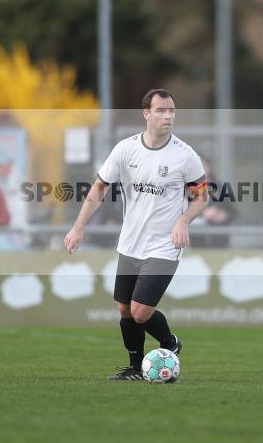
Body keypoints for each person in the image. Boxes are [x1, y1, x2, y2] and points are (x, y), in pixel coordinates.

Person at [64, 89, 208, 380]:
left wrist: (183, 221)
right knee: (124, 309)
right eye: (161, 111)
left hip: (165, 246)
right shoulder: (126, 150)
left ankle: (169, 343)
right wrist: (78, 226)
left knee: (140, 311)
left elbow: (202, 197)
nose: (168, 116)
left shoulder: (185, 156)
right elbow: (99, 187)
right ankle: (135, 368)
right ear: (146, 114)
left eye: (171, 111)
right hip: (130, 243)